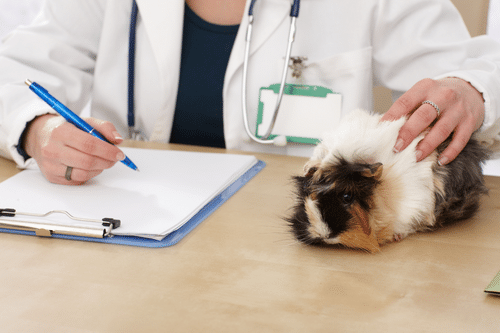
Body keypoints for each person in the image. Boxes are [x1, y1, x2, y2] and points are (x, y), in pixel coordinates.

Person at [0, 0, 499, 185]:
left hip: (305, 249)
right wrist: (38, 129)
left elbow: (476, 70)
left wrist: (471, 90)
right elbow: (14, 71)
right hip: (128, 232)